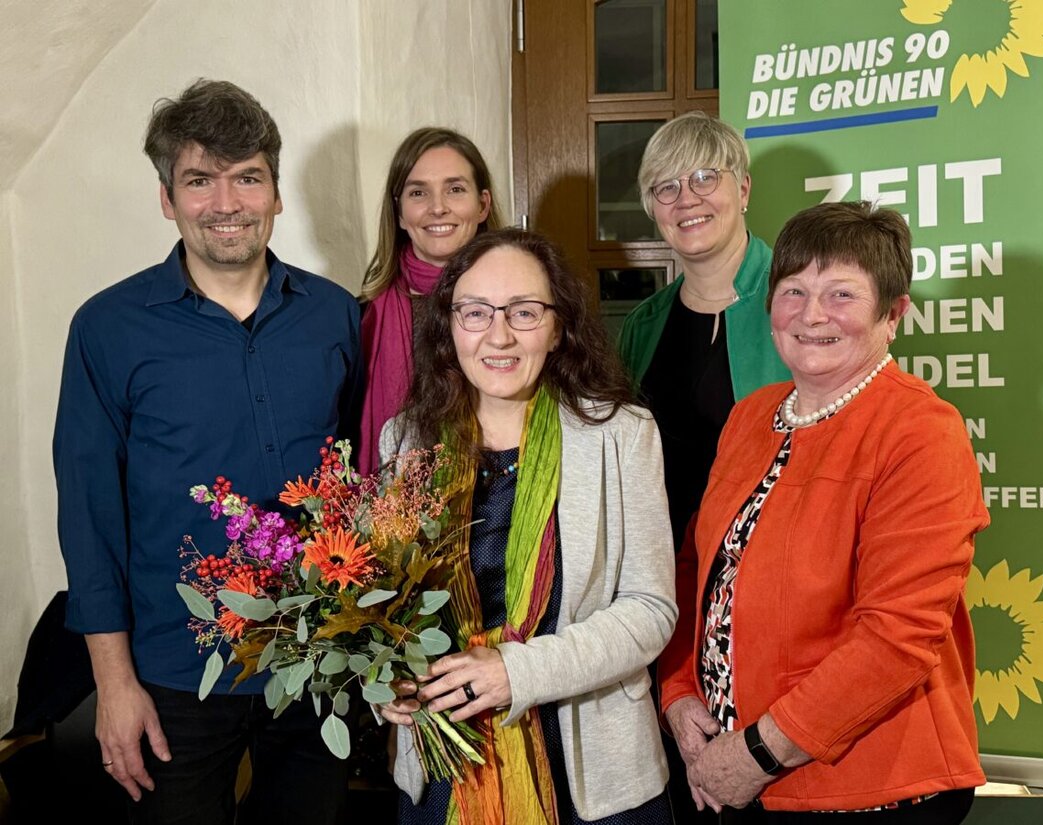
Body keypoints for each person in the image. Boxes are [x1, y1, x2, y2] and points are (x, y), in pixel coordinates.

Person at [53, 79, 362, 824]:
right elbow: (89, 520)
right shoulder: (106, 328)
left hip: (320, 660)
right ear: (167, 198)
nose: (226, 202)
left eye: (247, 177)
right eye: (199, 180)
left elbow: (363, 481)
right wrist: (114, 683)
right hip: (173, 673)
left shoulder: (335, 315)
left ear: (276, 193)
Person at [659, 201, 989, 824]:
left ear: (893, 314)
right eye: (794, 291)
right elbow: (696, 568)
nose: (811, 315)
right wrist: (678, 694)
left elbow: (896, 638)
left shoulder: (921, 431)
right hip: (728, 770)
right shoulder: (750, 417)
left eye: (841, 294)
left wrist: (757, 754)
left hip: (868, 787)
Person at [379, 228, 678, 824]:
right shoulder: (406, 441)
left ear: (558, 327)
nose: (499, 335)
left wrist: (515, 673)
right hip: (449, 761)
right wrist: (387, 677)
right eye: (475, 312)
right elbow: (387, 605)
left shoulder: (621, 435)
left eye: (524, 311)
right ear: (449, 326)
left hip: (591, 769)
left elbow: (651, 610)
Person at [619, 111, 789, 552]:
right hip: (664, 567)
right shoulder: (642, 325)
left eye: (704, 178)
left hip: (771, 559)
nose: (686, 200)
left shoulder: (799, 301)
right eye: (666, 187)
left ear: (743, 189)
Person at [358, 126, 504, 475]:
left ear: (482, 205)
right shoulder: (362, 318)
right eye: (418, 192)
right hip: (397, 498)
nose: (438, 208)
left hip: (506, 490)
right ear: (399, 212)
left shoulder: (522, 307)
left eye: (455, 189)